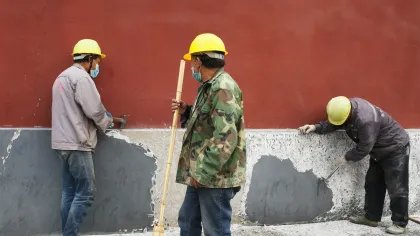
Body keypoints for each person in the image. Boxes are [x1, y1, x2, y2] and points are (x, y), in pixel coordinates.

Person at [298, 96, 410, 235]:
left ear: (348, 114)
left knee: (397, 187)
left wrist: (346, 157)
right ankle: (371, 218)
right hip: (379, 150)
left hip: (395, 148)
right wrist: (315, 127)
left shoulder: (365, 120)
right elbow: (335, 123)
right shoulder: (345, 108)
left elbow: (364, 147)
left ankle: (399, 223)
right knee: (373, 183)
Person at [171, 33, 246, 236]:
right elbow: (208, 122)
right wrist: (186, 110)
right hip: (200, 173)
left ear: (198, 61)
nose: (191, 67)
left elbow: (226, 139)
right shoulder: (208, 87)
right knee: (188, 222)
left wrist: (202, 174)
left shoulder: (223, 88)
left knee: (215, 230)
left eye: (192, 62)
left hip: (214, 176)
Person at [51, 39, 114, 236]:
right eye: (97, 61)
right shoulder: (82, 79)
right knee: (86, 193)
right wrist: (107, 122)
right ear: (89, 59)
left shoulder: (61, 77)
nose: (98, 66)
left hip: (62, 143)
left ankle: (66, 233)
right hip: (78, 144)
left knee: (69, 192)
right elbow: (94, 110)